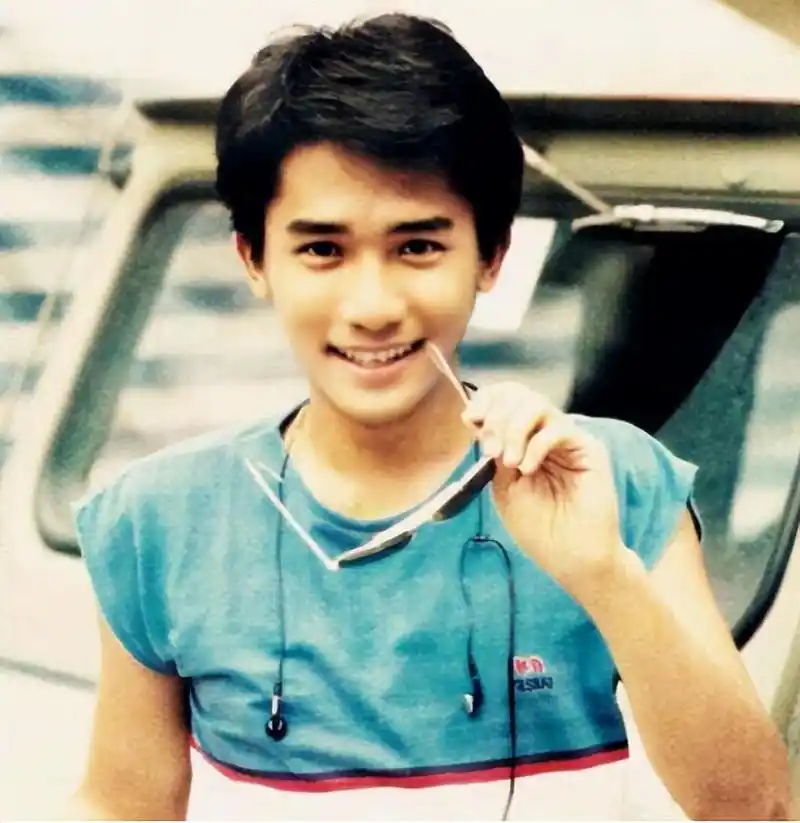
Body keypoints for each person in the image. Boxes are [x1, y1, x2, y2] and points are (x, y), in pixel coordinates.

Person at [64, 13, 789, 821]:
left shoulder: (616, 480)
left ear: (491, 256)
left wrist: (602, 572)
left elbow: (755, 807)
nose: (373, 305)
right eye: (322, 249)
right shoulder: (155, 521)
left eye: (417, 247)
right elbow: (124, 804)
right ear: (254, 260)